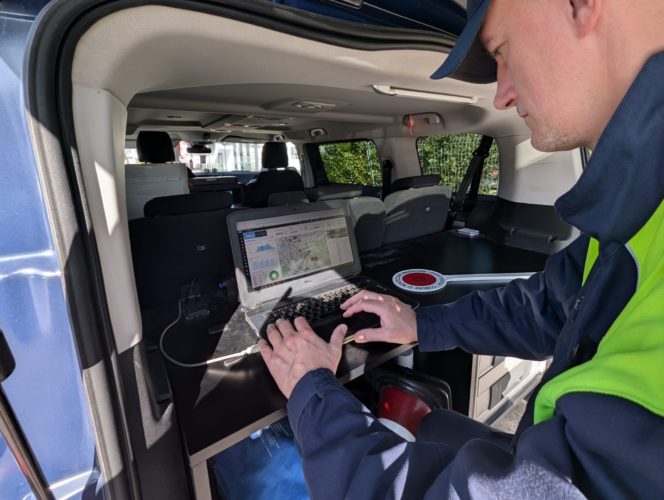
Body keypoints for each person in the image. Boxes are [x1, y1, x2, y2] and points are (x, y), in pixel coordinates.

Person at [258, 0, 664, 496]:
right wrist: (423, 324)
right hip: (539, 446)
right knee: (435, 424)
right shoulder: (640, 214)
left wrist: (313, 393)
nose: (502, 95)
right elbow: (551, 307)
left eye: (503, 51)